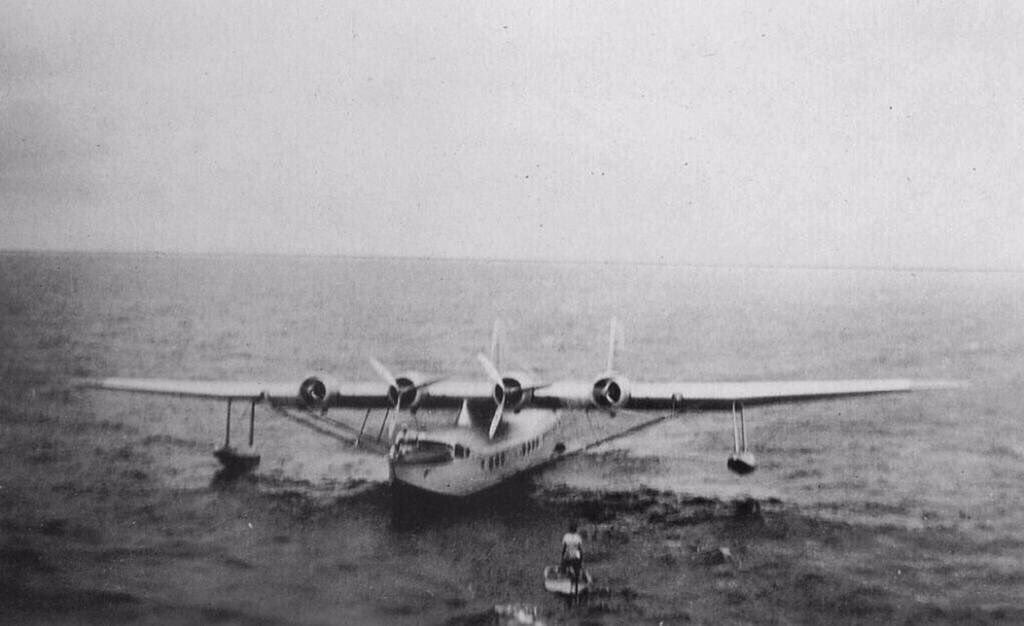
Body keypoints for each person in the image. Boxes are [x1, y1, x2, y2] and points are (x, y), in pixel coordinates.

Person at [560, 522, 584, 592]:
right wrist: (581, 559)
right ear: (576, 529)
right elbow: (579, 548)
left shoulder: (566, 536)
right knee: (577, 569)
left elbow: (564, 547)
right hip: (576, 555)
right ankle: (576, 582)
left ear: (569, 529)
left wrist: (562, 557)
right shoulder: (578, 537)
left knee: (563, 567)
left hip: (568, 554)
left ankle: (564, 578)